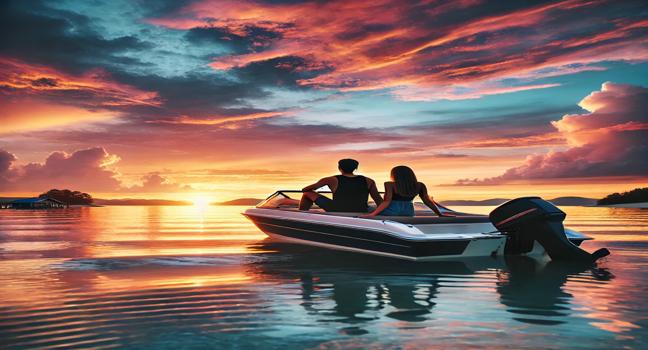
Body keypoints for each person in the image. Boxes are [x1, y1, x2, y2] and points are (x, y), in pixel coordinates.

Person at [362, 165, 449, 217]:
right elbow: (428, 202)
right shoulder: (420, 185)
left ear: (395, 175)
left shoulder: (389, 184)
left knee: (368, 208)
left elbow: (386, 202)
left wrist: (372, 214)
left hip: (392, 211)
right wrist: (439, 214)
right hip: (408, 211)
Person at [299, 159, 383, 212]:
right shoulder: (369, 180)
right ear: (355, 168)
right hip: (361, 209)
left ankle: (302, 213)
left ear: (339, 168)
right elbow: (378, 199)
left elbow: (305, 189)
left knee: (307, 193)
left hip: (336, 209)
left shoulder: (331, 179)